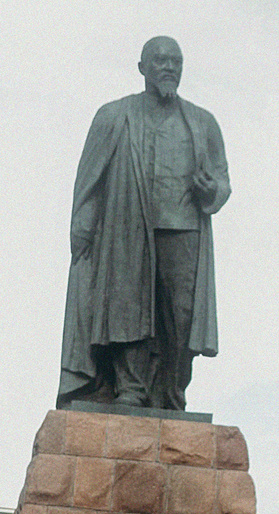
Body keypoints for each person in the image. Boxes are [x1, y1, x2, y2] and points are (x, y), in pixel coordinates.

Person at [59, 36, 231, 410]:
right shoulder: (114, 116)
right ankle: (131, 388)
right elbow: (89, 177)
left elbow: (222, 181)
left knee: (181, 318)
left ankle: (171, 392)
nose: (169, 67)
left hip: (183, 229)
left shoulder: (202, 123)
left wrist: (210, 191)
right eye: (160, 60)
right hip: (126, 226)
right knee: (127, 308)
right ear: (142, 67)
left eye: (176, 61)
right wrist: (82, 223)